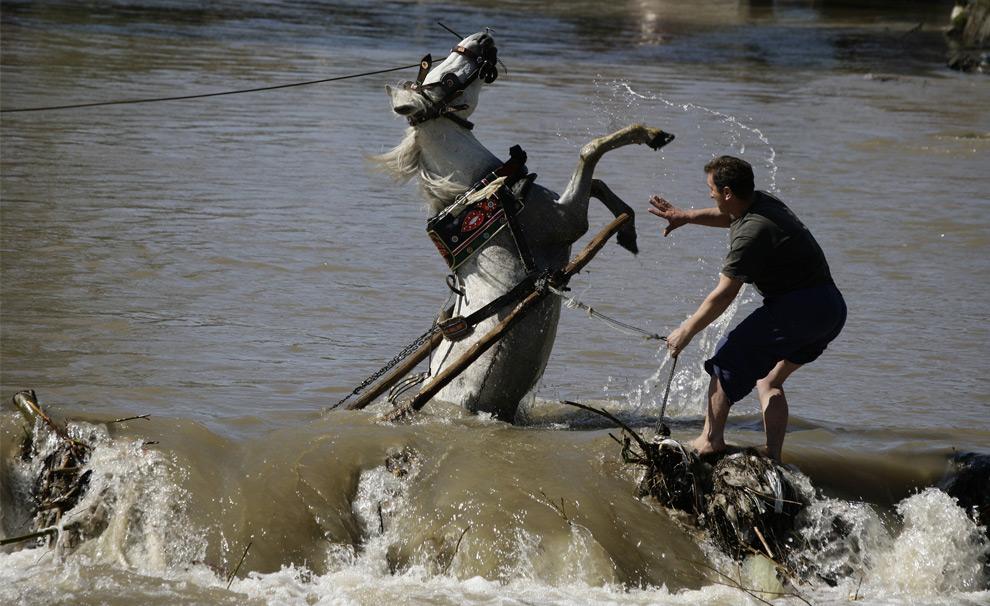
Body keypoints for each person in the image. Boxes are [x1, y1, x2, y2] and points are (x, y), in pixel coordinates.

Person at [648, 156, 845, 461]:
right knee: (770, 381)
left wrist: (685, 331)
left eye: (712, 189)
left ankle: (710, 441)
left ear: (727, 192)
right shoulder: (759, 203)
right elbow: (728, 217)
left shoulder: (751, 234)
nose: (709, 194)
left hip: (799, 307)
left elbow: (723, 295)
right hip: (831, 309)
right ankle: (772, 456)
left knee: (727, 358)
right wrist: (685, 216)